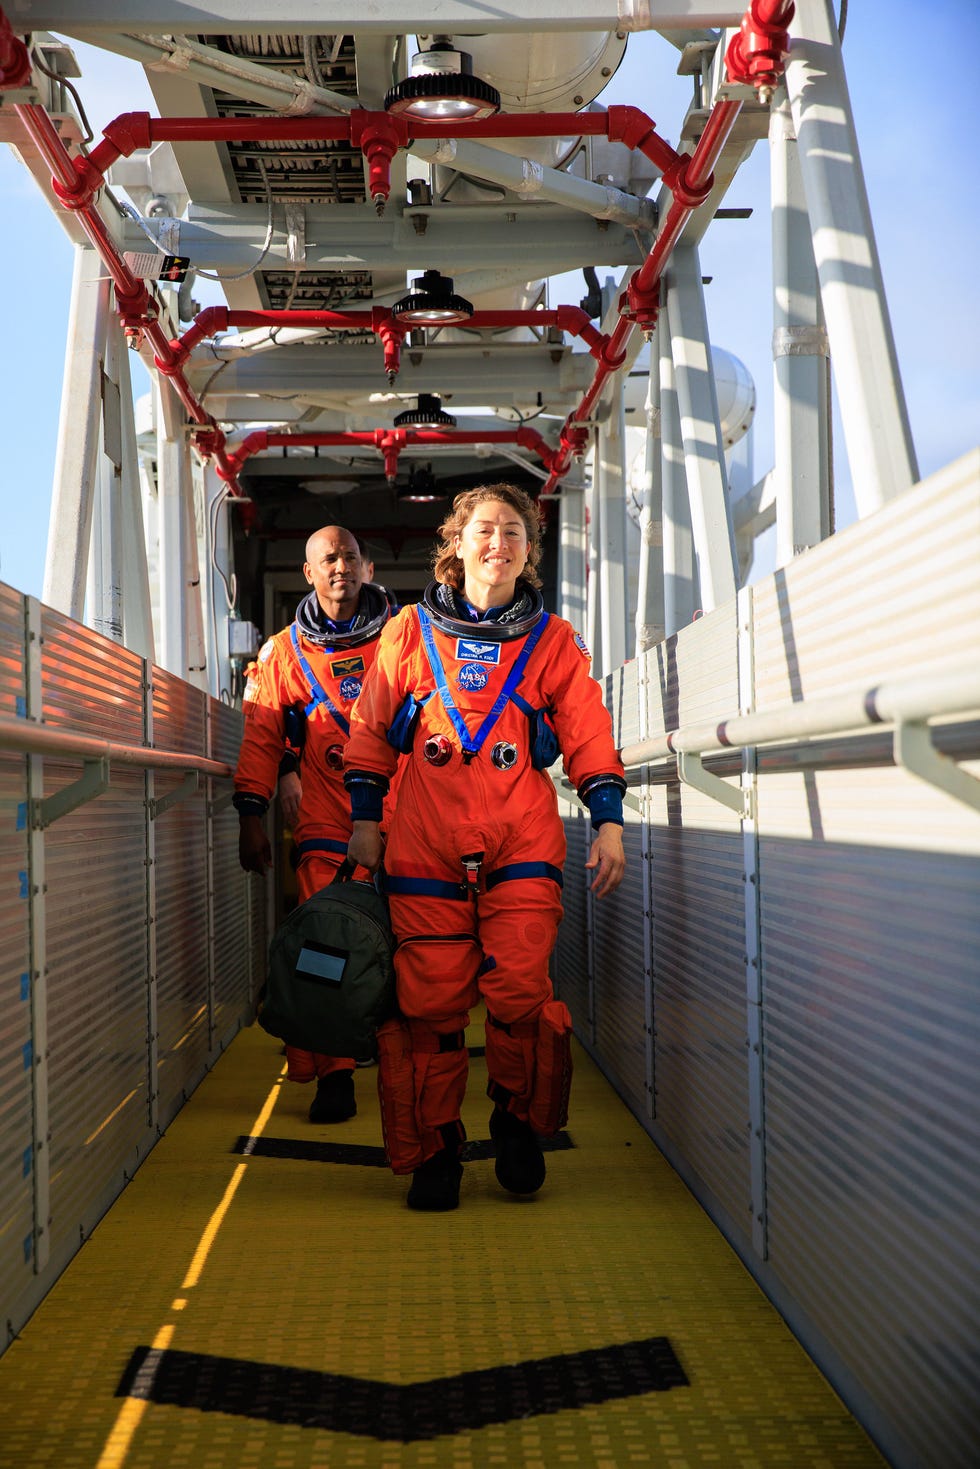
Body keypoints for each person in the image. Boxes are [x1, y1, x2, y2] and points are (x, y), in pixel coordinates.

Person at [344, 482, 626, 1211]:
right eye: (485, 530)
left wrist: (608, 819)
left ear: (529, 550)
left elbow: (588, 731)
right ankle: (438, 1148)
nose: (499, 543)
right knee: (430, 1003)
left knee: (520, 992)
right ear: (457, 543)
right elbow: (370, 728)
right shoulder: (408, 631)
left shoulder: (553, 640)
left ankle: (516, 1120)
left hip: (520, 837)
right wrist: (365, 819)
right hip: (424, 842)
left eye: (513, 532)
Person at [234, 525, 395, 1122]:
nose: (340, 566)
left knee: (418, 939)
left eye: (350, 556)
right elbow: (261, 735)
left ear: (367, 567)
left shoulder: (406, 635)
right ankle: (335, 1075)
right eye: (329, 558)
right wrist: (251, 814)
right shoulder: (283, 653)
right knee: (326, 946)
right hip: (329, 816)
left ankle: (402, 1059)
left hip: (407, 812)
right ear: (308, 573)